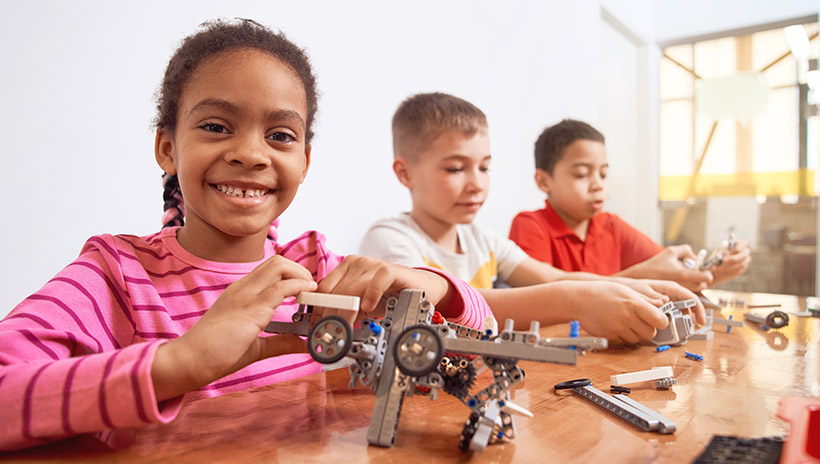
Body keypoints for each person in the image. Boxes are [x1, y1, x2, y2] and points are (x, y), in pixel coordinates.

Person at [0, 20, 493, 452]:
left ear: (304, 161)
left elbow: (482, 346)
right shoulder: (117, 276)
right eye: (216, 126)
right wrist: (179, 363)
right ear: (168, 148)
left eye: (280, 135)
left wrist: (434, 286)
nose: (250, 154)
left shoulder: (318, 271)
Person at [360, 92, 704, 344]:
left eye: (484, 167)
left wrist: (639, 288)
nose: (477, 183)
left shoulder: (484, 240)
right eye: (455, 168)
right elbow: (450, 308)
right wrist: (578, 301)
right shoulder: (389, 239)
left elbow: (552, 278)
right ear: (405, 174)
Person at [508, 119, 751, 292]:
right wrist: (644, 275)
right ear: (543, 180)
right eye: (582, 174)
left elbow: (673, 274)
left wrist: (721, 270)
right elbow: (544, 299)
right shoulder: (531, 225)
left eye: (603, 174)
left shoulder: (611, 226)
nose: (597, 185)